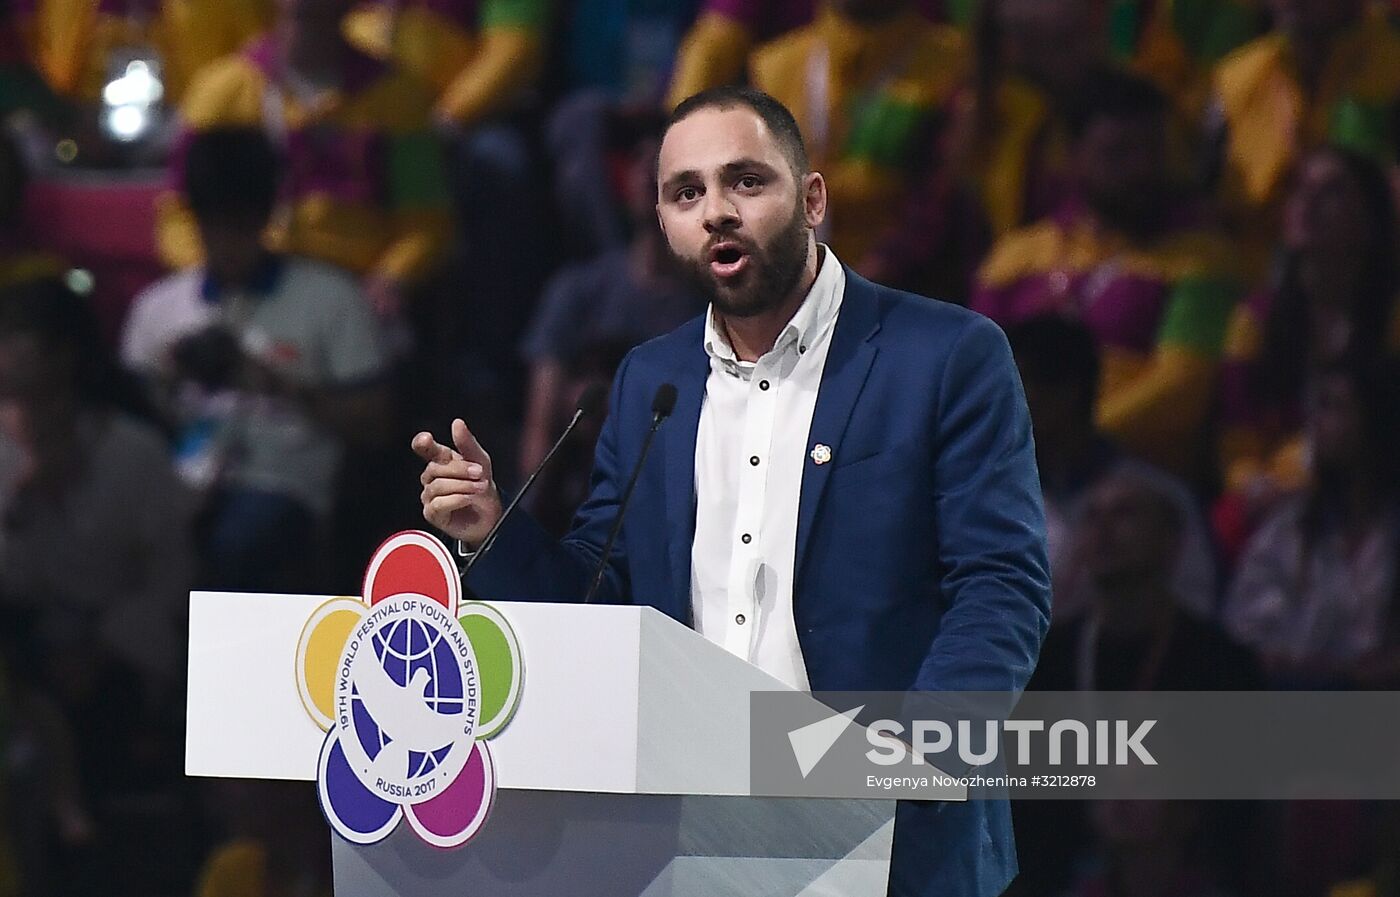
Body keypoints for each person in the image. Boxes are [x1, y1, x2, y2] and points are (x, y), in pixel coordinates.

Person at [415, 86, 1051, 897]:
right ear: (664, 220)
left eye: (746, 181)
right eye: (687, 192)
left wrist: (913, 764)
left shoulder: (947, 355)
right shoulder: (651, 379)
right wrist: (494, 531)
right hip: (688, 837)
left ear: (811, 198)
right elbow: (607, 589)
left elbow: (1001, 586)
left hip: (893, 843)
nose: (716, 209)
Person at [123, 127, 390, 592]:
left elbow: (378, 421)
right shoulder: (159, 308)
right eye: (213, 224)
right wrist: (165, 383)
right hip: (173, 479)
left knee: (237, 544)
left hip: (281, 480)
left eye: (240, 224)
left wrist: (273, 383)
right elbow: (122, 418)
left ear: (266, 216)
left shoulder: (329, 298)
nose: (227, 242)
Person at [972, 69, 1240, 477]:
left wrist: (1070, 440)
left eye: (1151, 151)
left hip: (1135, 485)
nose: (1140, 168)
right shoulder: (1015, 257)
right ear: (1074, 155)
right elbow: (975, 373)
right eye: (1118, 153)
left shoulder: (1201, 260)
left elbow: (1181, 392)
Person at [155, 0, 453, 320]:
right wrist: (204, 273)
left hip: (353, 292)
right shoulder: (222, 90)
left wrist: (391, 278)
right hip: (243, 288)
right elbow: (178, 211)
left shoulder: (399, 97)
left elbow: (426, 223)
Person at [1214, 146, 1400, 561]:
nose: (1309, 202)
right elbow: (1237, 438)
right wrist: (1252, 484)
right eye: (1301, 190)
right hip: (1271, 498)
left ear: (1370, 221)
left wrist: (1299, 477)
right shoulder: (1254, 320)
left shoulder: (1393, 321)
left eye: (1332, 191)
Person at [1006, 315, 1218, 621]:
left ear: (1067, 393)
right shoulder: (984, 496)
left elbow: (1195, 613)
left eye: (1015, 388)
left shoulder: (1157, 496)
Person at [1222, 361, 1400, 689]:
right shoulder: (1287, 528)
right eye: (1318, 407)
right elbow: (1245, 634)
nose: (1317, 424)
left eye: (1336, 407)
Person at [1208, 0, 1400, 269]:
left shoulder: (1392, 71)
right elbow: (1207, 203)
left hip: (1371, 280)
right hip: (1251, 284)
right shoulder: (1237, 79)